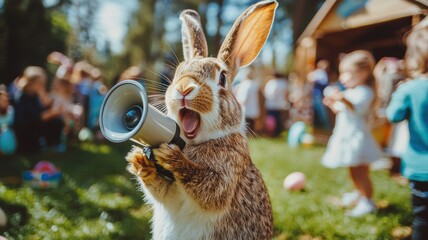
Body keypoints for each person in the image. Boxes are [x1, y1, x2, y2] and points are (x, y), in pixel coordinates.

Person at [322, 50, 382, 217]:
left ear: (362, 73)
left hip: (357, 139)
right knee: (353, 170)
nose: (342, 78)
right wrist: (332, 104)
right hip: (347, 136)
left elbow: (356, 108)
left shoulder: (365, 92)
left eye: (346, 73)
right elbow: (342, 111)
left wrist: (341, 98)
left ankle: (368, 201)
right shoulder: (350, 92)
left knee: (361, 172)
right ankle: (358, 193)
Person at [386, 17, 428, 240]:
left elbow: (394, 115)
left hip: (421, 167)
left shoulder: (410, 89)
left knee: (422, 218)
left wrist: (399, 92)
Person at [14, 66, 64, 153]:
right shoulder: (23, 97)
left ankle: (52, 145)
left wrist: (47, 103)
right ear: (31, 83)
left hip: (35, 126)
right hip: (26, 132)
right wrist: (51, 113)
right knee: (54, 119)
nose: (42, 87)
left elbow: (42, 110)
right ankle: (44, 144)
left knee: (57, 121)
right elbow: (35, 118)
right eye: (40, 83)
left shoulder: (35, 96)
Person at [235, 69, 261, 133]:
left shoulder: (244, 84)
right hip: (253, 105)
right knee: (252, 121)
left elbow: (244, 96)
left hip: (246, 106)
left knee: (247, 121)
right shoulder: (255, 84)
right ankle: (252, 132)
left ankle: (248, 133)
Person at [263, 72, 289, 137]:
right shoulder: (283, 83)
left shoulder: (271, 83)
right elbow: (286, 93)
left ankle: (271, 132)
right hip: (280, 104)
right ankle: (278, 132)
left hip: (271, 104)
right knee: (278, 119)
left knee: (271, 119)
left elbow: (267, 93)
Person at [308, 60, 331, 129]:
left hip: (319, 94)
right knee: (320, 110)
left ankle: (324, 125)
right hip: (317, 94)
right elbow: (310, 78)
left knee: (320, 110)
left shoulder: (322, 73)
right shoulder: (318, 72)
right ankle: (324, 125)